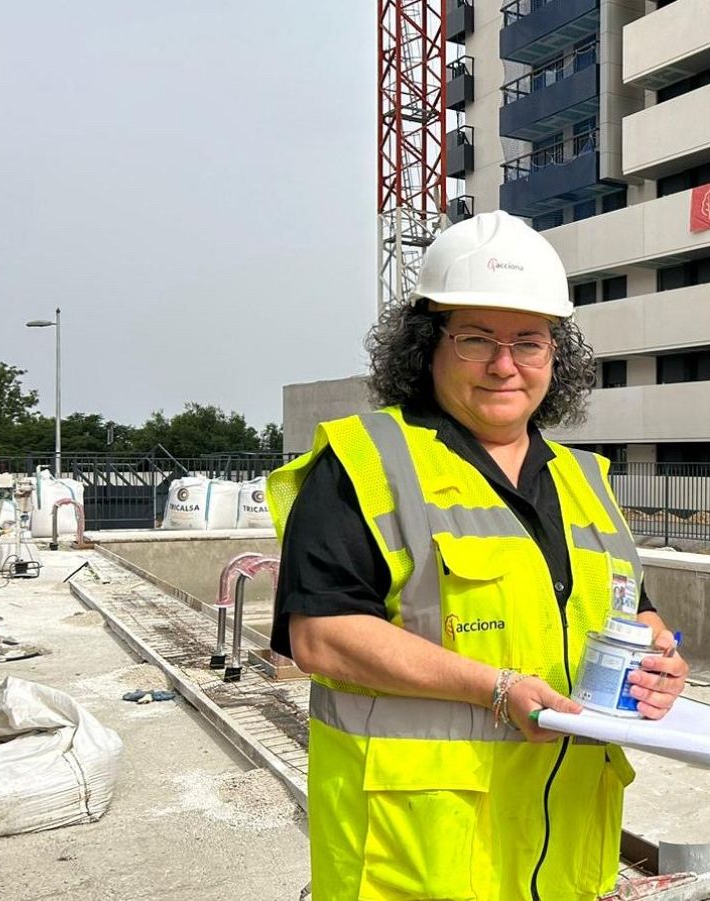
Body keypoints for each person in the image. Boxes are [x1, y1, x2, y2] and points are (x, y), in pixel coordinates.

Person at [267, 211, 688, 901]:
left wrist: (661, 659)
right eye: (475, 339)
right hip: (416, 858)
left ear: (557, 356)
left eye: (529, 341)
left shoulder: (584, 480)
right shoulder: (366, 460)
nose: (504, 364)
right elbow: (322, 636)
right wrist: (495, 688)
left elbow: (632, 612)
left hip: (561, 858)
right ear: (428, 347)